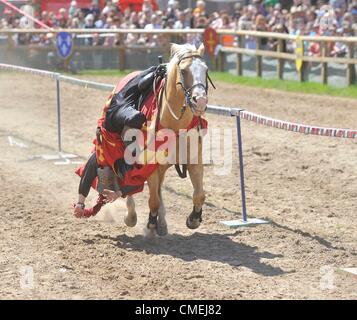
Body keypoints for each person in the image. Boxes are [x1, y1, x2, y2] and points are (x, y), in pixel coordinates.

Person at [74, 64, 167, 218]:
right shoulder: (125, 169)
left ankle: (156, 69)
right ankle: (157, 70)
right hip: (124, 121)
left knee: (136, 113)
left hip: (114, 116)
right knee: (137, 103)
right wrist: (119, 193)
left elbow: (87, 175)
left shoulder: (100, 155)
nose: (108, 178)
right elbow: (136, 181)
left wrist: (80, 203)